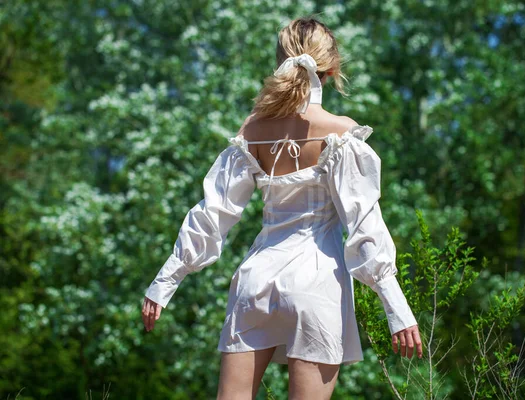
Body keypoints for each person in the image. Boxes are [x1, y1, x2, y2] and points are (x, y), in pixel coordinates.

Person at [142, 16, 422, 399]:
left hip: (256, 281)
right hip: (317, 283)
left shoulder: (253, 130)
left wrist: (165, 282)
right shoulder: (341, 132)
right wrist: (397, 309)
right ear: (332, 69)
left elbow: (213, 214)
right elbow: (364, 225)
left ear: (281, 62)